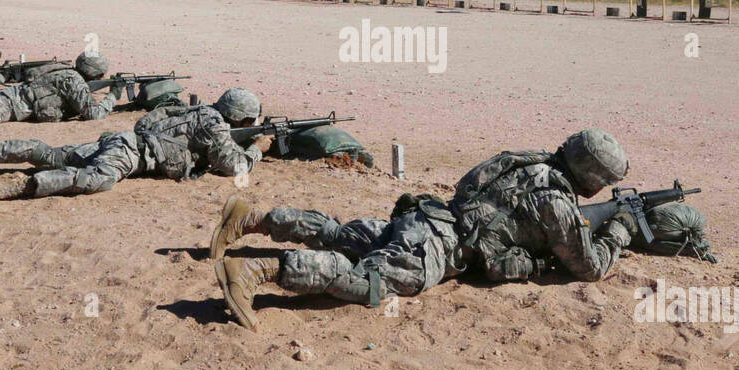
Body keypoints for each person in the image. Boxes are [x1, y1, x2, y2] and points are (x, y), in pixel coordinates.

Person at [207, 129, 632, 332]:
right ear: (592, 176)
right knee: (368, 283)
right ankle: (259, 273)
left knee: (340, 235)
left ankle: (253, 217)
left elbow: (470, 186)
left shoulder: (525, 159)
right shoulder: (555, 201)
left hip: (424, 218)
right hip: (436, 250)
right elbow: (589, 267)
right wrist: (620, 232)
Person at [0, 88, 270, 205]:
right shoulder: (215, 125)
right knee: (96, 180)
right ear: (241, 118)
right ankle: (11, 188)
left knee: (53, 154)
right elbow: (234, 167)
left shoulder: (200, 112)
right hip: (129, 153)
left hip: (121, 140)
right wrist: (257, 149)